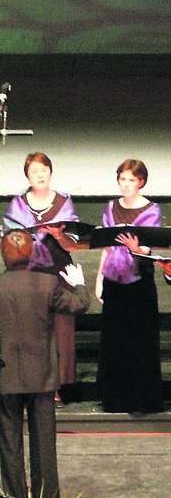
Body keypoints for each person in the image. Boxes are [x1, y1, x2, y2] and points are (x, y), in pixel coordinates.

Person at [0, 229, 90, 498]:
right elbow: (79, 305)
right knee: (44, 443)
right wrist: (79, 284)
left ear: (3, 254)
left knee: (9, 442)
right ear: (31, 254)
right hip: (41, 375)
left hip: (4, 375)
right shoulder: (47, 283)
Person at [3, 151, 79, 405]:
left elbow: (71, 244)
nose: (40, 175)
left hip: (58, 272)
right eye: (34, 171)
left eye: (44, 170)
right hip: (29, 273)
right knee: (32, 329)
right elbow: (9, 242)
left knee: (60, 330)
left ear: (51, 172)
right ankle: (33, 383)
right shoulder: (18, 204)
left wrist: (57, 235)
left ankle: (57, 385)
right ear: (27, 175)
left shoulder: (63, 202)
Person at [95, 158, 163, 414]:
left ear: (141, 182)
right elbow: (106, 247)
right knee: (115, 341)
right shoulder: (111, 207)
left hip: (139, 283)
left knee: (139, 340)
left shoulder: (152, 210)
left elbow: (148, 250)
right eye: (122, 179)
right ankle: (115, 398)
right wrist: (99, 278)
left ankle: (141, 399)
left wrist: (136, 249)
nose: (125, 184)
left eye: (131, 180)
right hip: (114, 280)